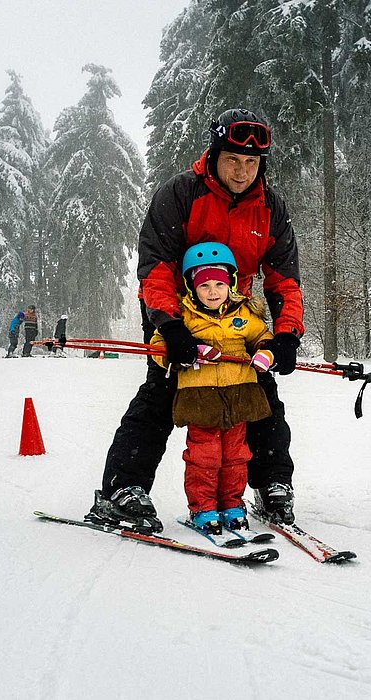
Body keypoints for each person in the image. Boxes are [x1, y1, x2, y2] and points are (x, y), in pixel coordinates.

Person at [86, 108, 304, 533]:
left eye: (252, 163)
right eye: (233, 160)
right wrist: (169, 327)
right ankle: (122, 489)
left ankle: (273, 483)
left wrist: (286, 335)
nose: (242, 172)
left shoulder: (270, 207)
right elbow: (156, 267)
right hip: (174, 314)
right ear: (215, 152)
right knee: (163, 393)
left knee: (259, 395)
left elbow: (284, 280)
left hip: (234, 316)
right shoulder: (180, 194)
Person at [149, 242, 276, 534]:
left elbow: (262, 337)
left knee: (236, 456)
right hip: (200, 399)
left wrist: (266, 352)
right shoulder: (183, 317)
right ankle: (203, 508)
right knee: (204, 458)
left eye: (219, 283)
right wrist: (187, 351)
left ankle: (232, 505)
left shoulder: (243, 313)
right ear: (192, 288)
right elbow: (158, 347)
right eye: (204, 285)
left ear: (230, 283)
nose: (212, 291)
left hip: (239, 395)